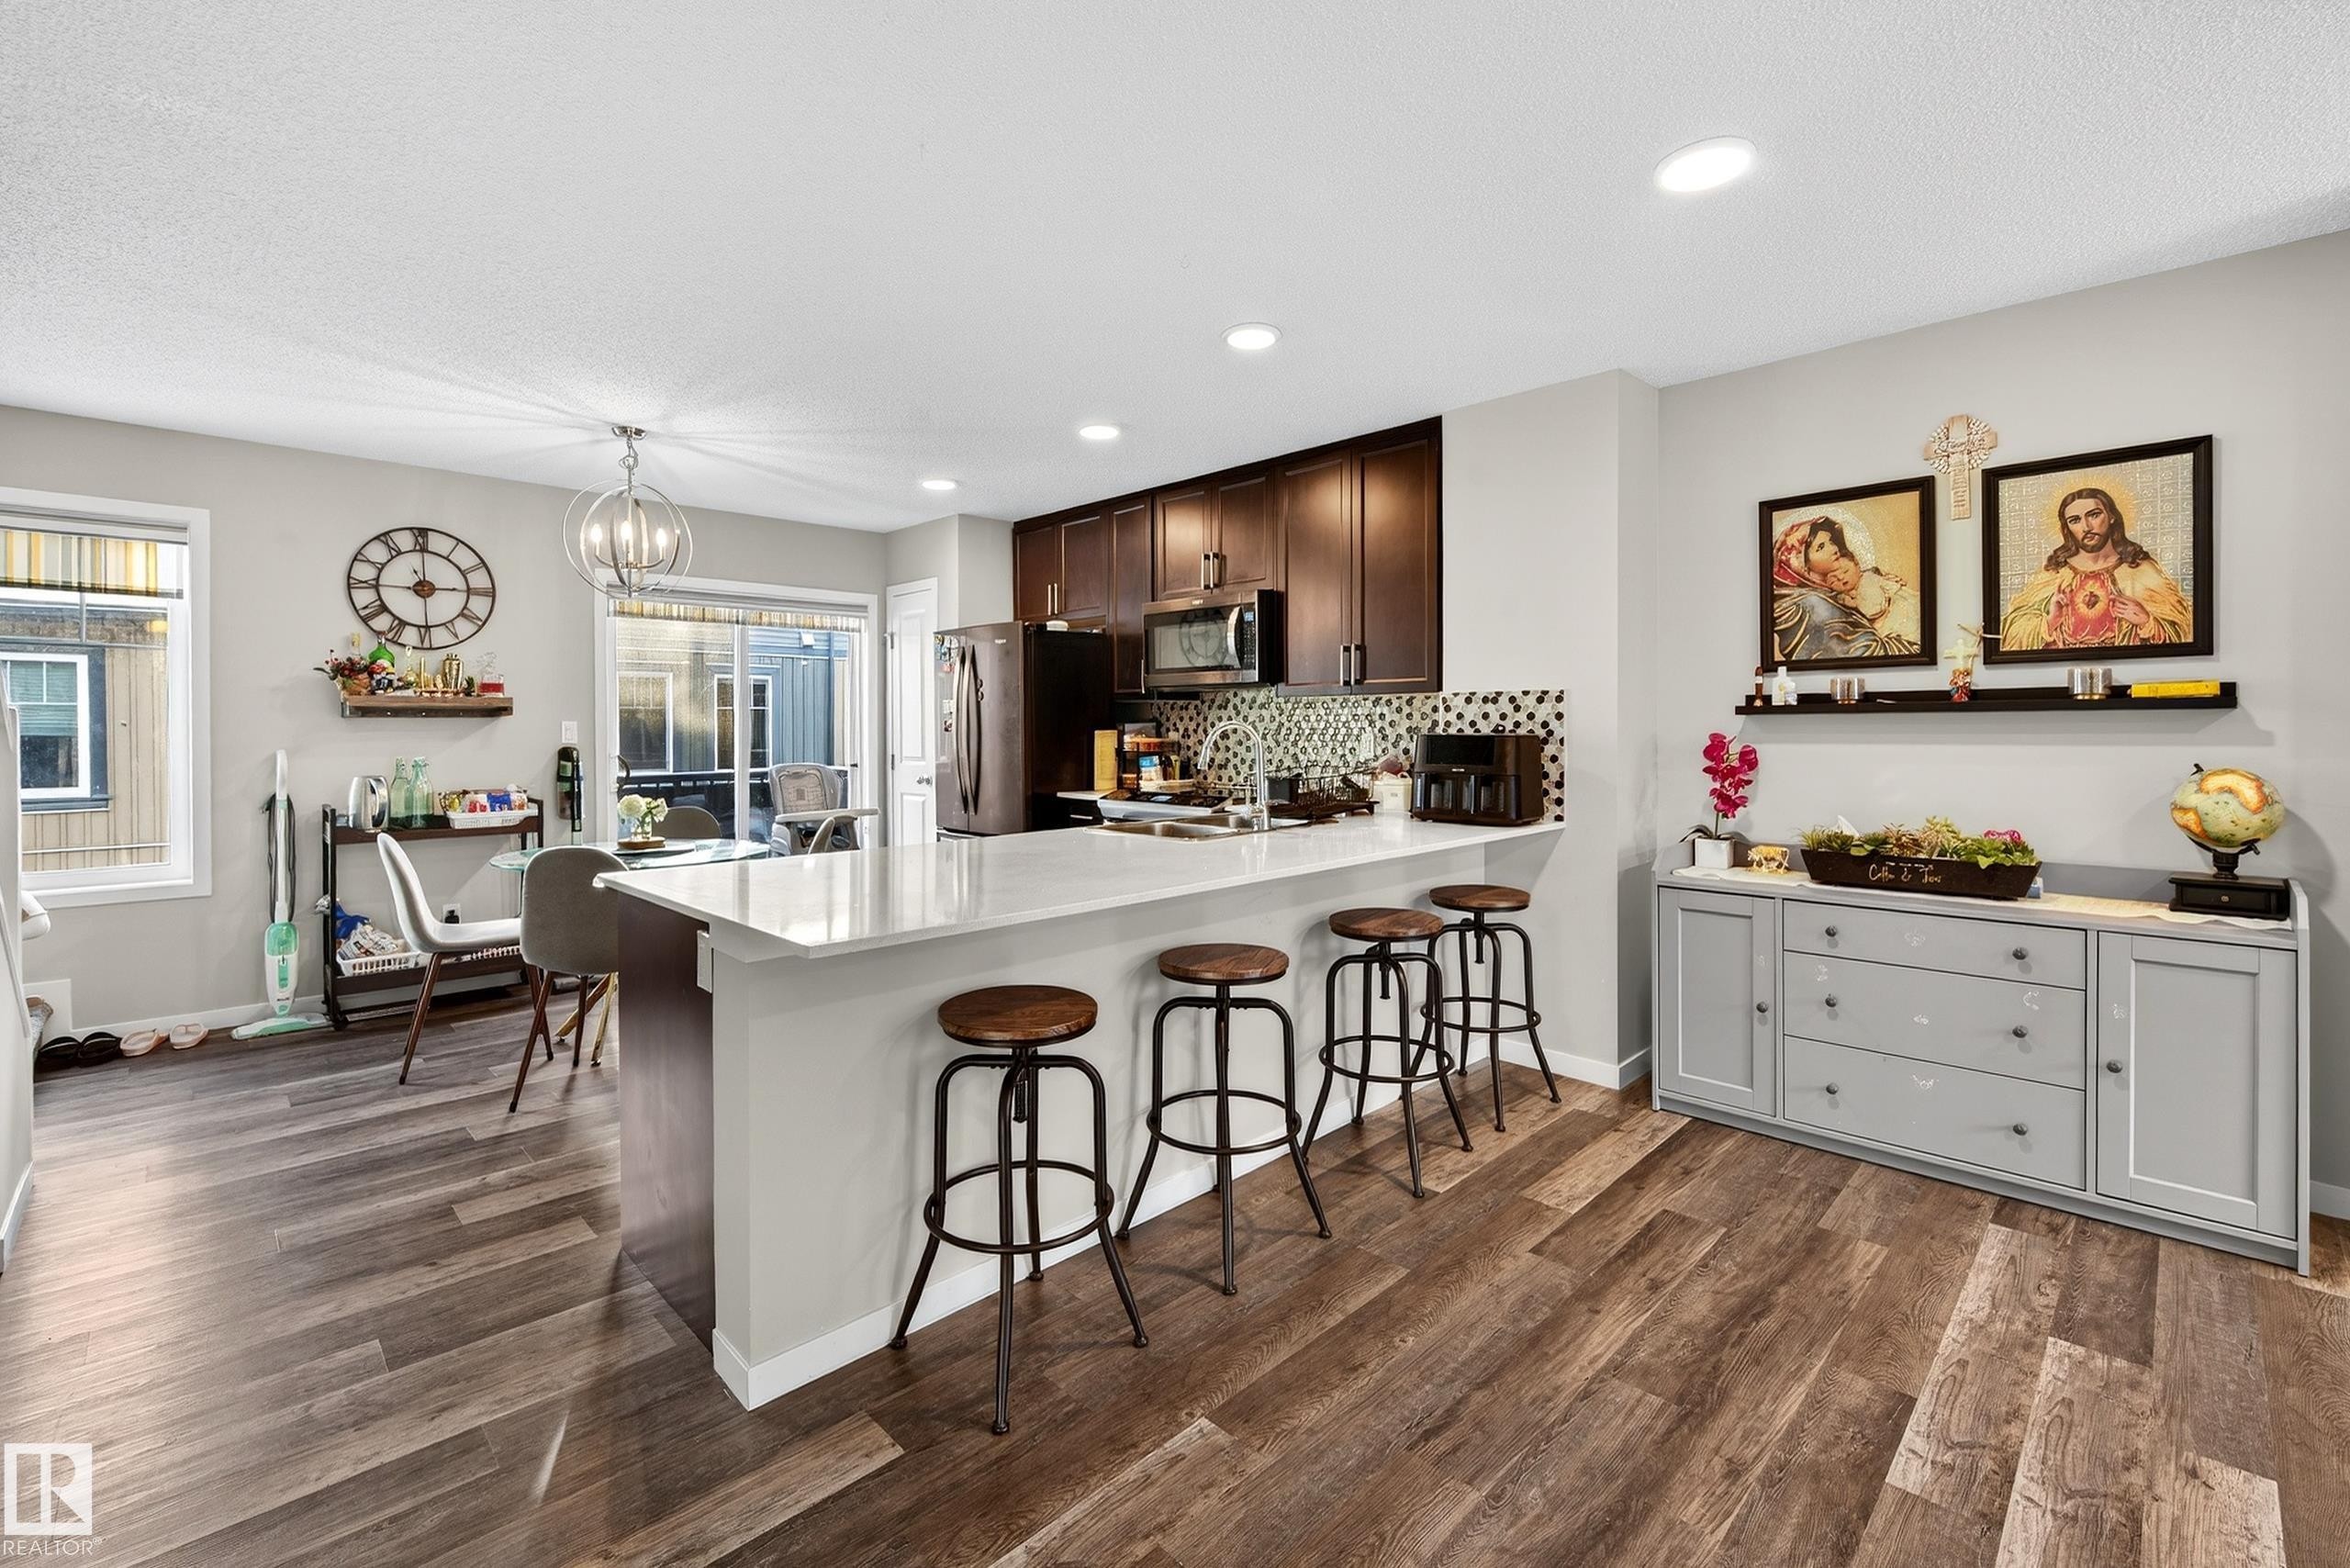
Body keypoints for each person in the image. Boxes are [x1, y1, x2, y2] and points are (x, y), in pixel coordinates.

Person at [1999, 486, 2191, 651]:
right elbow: (2010, 635)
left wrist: (2147, 621)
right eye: (2075, 520)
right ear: (2067, 528)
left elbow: (2185, 628)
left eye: (2094, 515)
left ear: (2112, 517)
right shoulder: (2054, 574)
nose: (2086, 527)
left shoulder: (2140, 570)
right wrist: (2049, 621)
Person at [1771, 515, 1919, 661]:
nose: (1834, 548)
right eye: (1821, 547)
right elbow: (1863, 652)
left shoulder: (1828, 592)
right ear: (1800, 565)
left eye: (1830, 542)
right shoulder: (1812, 605)